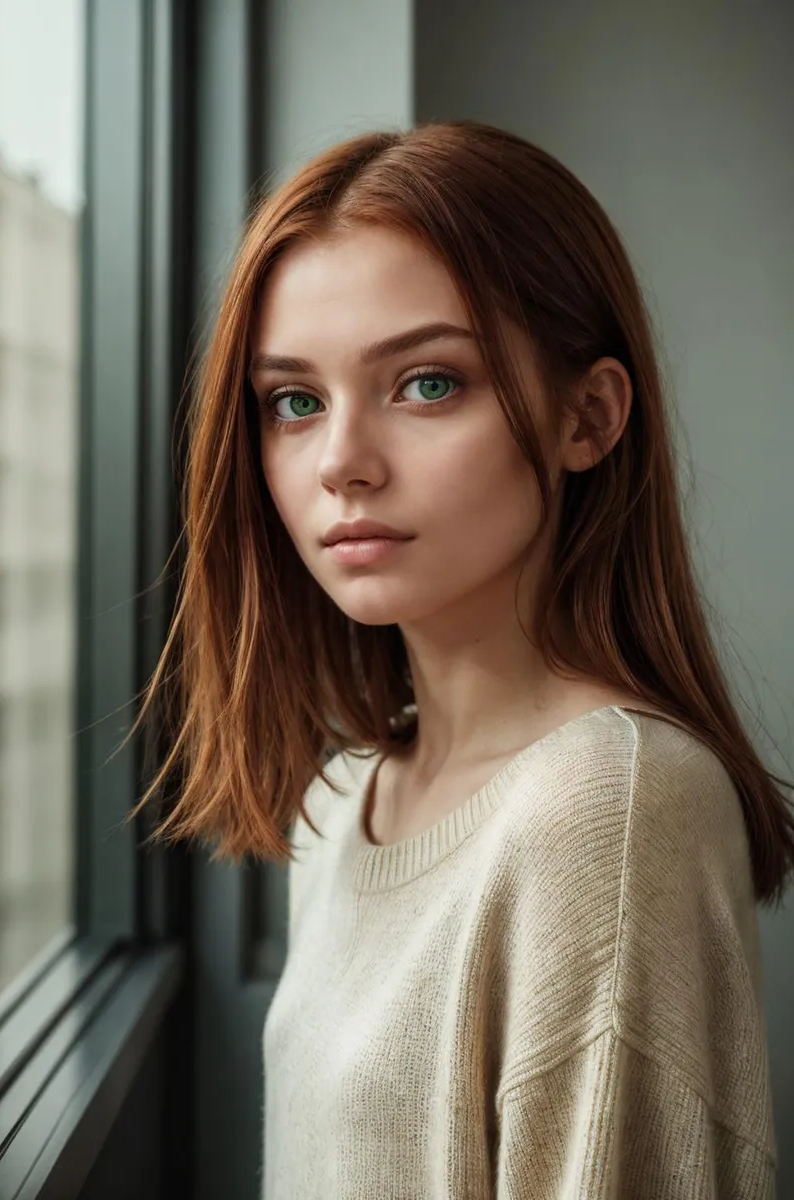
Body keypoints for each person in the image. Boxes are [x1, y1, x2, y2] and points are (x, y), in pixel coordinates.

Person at [127, 119, 791, 1197]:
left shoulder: (610, 807)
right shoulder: (340, 802)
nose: (341, 462)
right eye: (294, 402)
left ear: (588, 417)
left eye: (427, 383)